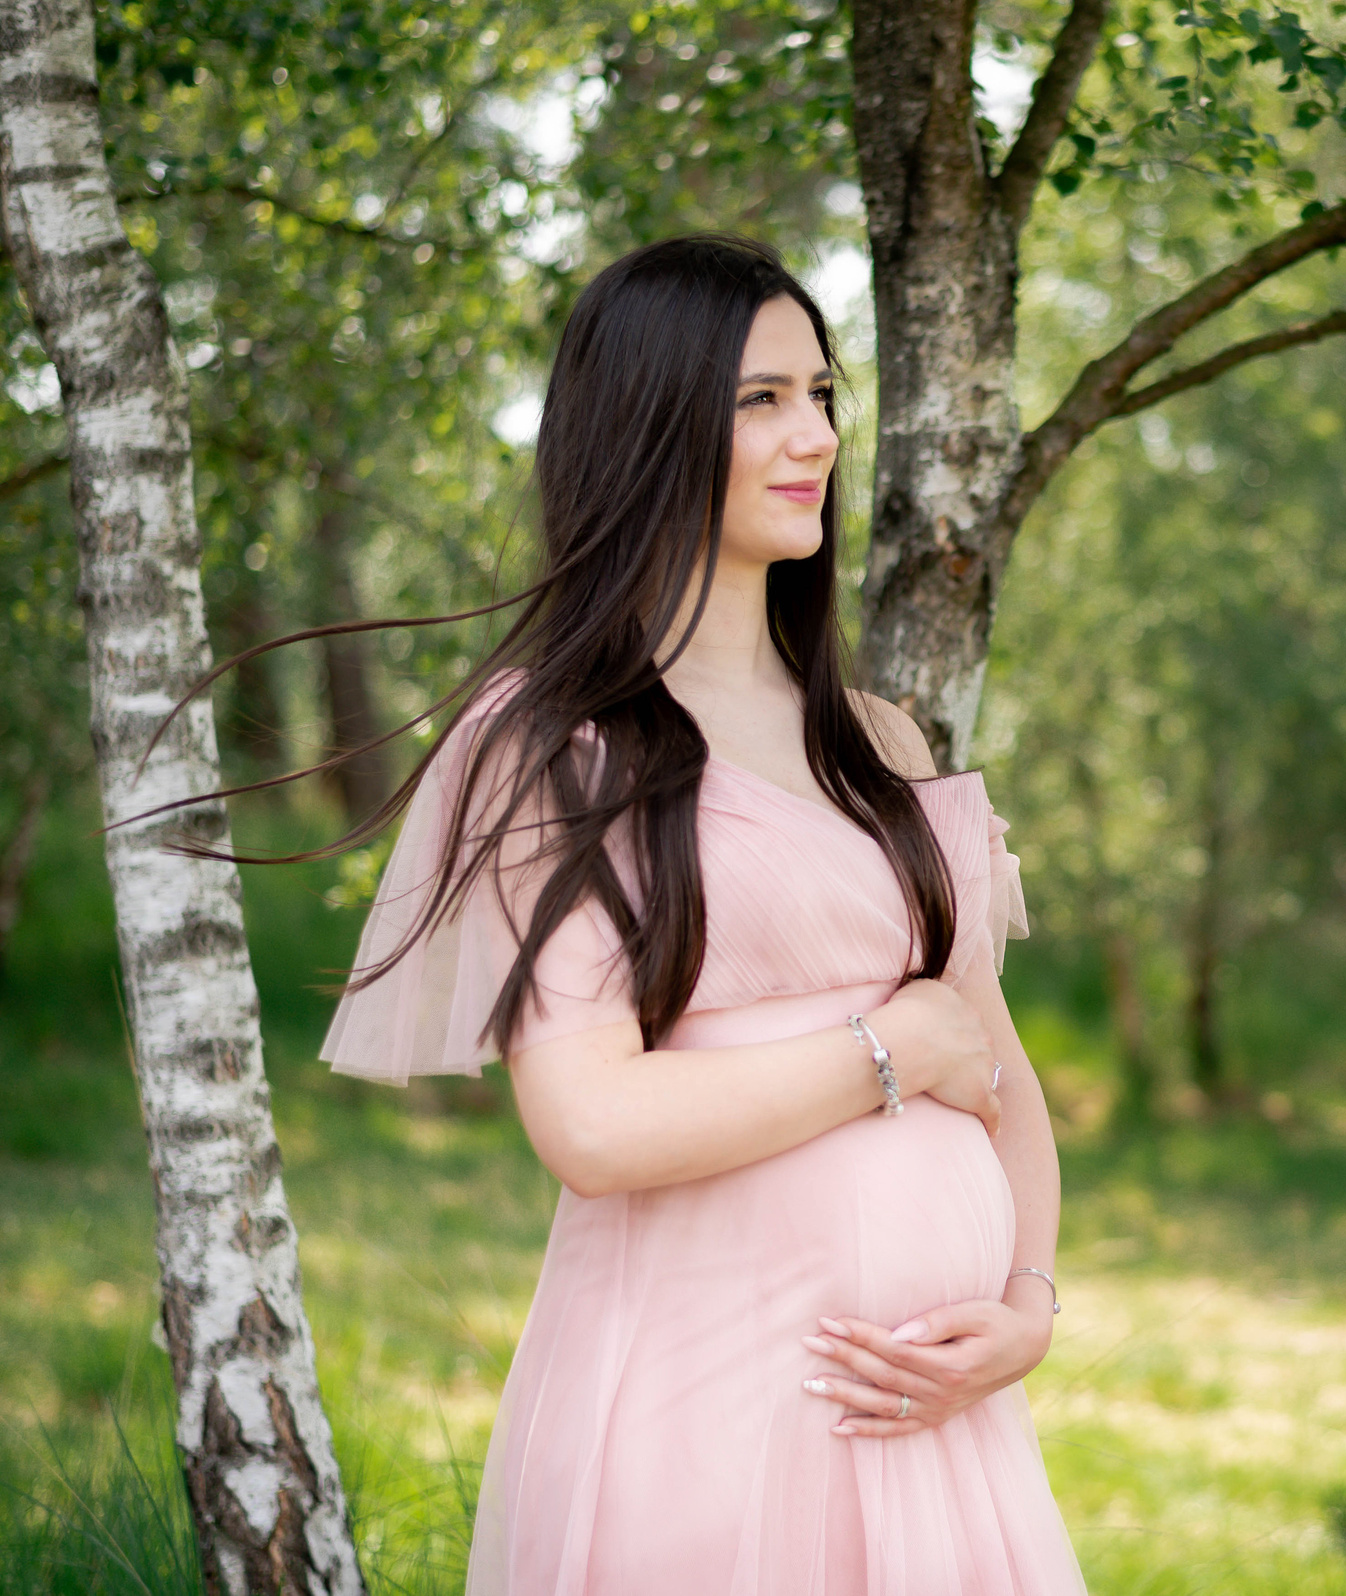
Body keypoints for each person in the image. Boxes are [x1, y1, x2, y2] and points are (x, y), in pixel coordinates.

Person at [296, 234, 1082, 1593]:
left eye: (825, 395)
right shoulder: (558, 746)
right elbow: (592, 1127)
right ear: (653, 426)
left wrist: (1028, 1308)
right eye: (762, 400)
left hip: (936, 1427)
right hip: (705, 1413)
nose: (819, 437)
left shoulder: (878, 742)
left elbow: (990, 1055)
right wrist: (887, 1056)